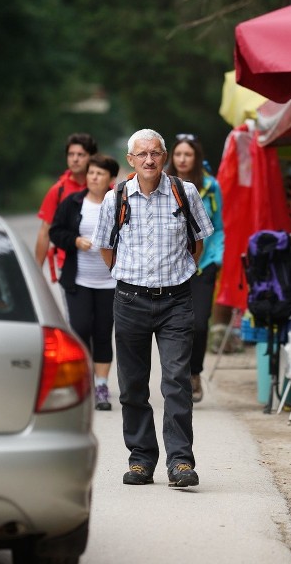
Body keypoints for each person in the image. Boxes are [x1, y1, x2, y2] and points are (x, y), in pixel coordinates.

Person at [91, 128, 214, 488]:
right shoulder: (116, 198)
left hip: (176, 299)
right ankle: (141, 459)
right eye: (141, 154)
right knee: (132, 385)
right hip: (129, 300)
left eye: (155, 153)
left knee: (177, 381)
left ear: (164, 156)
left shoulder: (184, 192)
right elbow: (105, 248)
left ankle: (180, 462)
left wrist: (179, 274)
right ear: (130, 160)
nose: (149, 160)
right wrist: (125, 276)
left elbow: (197, 244)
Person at [49, 154, 120, 411]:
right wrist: (75, 241)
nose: (94, 177)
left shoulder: (119, 204)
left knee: (102, 333)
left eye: (100, 174)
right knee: (79, 330)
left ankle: (101, 385)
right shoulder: (72, 203)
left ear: (111, 179)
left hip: (110, 283)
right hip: (78, 280)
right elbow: (55, 232)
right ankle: (81, 382)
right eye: (91, 173)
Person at [166, 134, 224, 403]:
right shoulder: (163, 185)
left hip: (204, 265)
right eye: (178, 154)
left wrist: (216, 257)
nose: (182, 159)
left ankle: (195, 372)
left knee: (199, 324)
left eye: (188, 154)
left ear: (196, 157)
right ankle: (177, 377)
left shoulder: (211, 187)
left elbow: (220, 227)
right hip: (171, 267)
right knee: (175, 324)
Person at [35, 133, 98, 280]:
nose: (75, 159)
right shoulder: (58, 190)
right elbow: (45, 232)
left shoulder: (105, 188)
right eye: (71, 154)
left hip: (100, 265)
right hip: (68, 265)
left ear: (91, 157)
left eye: (81, 155)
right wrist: (36, 272)